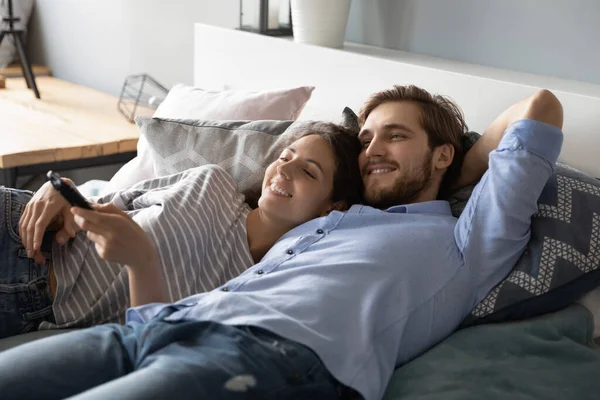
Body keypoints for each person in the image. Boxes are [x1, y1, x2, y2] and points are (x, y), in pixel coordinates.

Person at [0, 85, 564, 400]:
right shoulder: (318, 226)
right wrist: (142, 263)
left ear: (444, 155)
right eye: (367, 139)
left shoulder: (463, 241)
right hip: (152, 329)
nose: (372, 149)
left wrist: (452, 169)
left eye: (396, 136)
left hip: (263, 359)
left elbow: (538, 107)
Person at [0, 122, 363, 339]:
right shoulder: (213, 183)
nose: (285, 170)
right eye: (286, 156)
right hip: (21, 227)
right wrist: (59, 188)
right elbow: (107, 201)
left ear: (333, 208)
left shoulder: (253, 287)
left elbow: (154, 334)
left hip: (30, 307)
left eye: (308, 171)